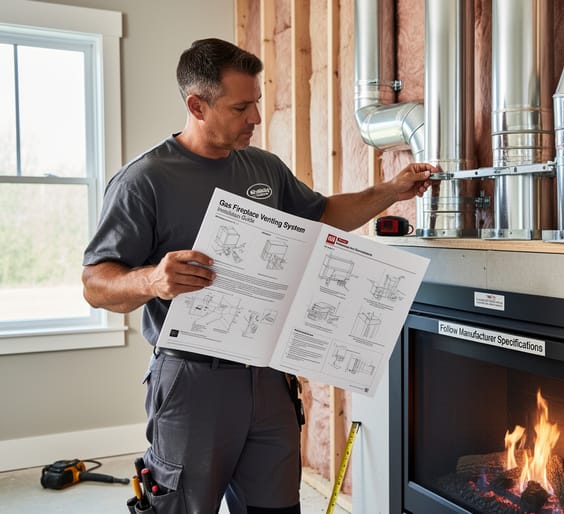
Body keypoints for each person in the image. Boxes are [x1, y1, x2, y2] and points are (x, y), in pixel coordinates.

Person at [82, 38, 434, 514]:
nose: (256, 118)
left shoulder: (263, 167)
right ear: (197, 105)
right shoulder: (144, 180)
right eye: (241, 107)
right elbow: (95, 283)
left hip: (269, 377)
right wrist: (152, 281)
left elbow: (324, 213)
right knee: (182, 507)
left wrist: (391, 190)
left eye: (257, 104)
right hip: (192, 381)